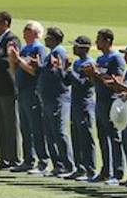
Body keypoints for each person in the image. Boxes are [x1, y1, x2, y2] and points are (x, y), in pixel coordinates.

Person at [8, 20, 49, 173]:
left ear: (37, 33)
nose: (24, 31)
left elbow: (35, 71)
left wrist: (18, 59)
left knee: (36, 127)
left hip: (33, 91)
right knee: (25, 127)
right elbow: (15, 70)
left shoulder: (38, 49)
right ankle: (28, 160)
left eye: (28, 29)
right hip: (22, 91)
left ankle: (42, 161)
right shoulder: (25, 49)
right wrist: (13, 59)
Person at [89, 28, 126, 182]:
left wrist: (97, 74)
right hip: (100, 101)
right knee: (102, 137)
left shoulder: (115, 58)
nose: (96, 42)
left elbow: (117, 81)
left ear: (108, 41)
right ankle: (105, 170)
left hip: (111, 101)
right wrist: (91, 75)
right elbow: (97, 81)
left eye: (99, 39)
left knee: (114, 137)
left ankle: (118, 172)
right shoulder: (100, 59)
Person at [37, 25, 73, 177]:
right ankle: (58, 165)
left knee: (59, 132)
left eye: (48, 37)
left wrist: (55, 68)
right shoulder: (51, 53)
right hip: (49, 98)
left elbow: (60, 76)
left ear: (54, 39)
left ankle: (67, 165)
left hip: (57, 98)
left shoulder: (59, 52)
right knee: (51, 133)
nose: (45, 39)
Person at [0, 11, 20, 168]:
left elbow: (7, 62)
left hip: (8, 87)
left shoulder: (12, 40)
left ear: (6, 23)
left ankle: (13, 157)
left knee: (10, 123)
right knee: (0, 124)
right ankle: (3, 157)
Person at [66, 36, 97, 180]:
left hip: (85, 104)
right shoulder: (78, 62)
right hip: (75, 103)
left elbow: (83, 84)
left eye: (77, 46)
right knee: (76, 136)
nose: (74, 48)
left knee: (85, 137)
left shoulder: (89, 64)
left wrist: (69, 70)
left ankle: (89, 169)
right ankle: (80, 167)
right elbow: (68, 82)